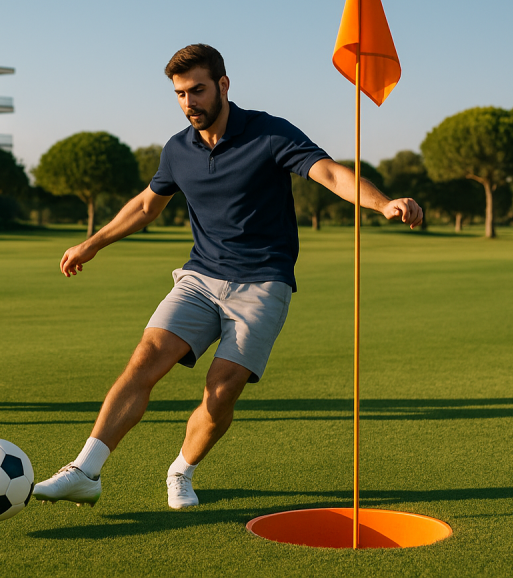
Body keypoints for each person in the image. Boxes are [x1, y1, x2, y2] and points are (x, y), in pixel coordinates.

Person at [34, 44, 422, 509]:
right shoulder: (178, 150)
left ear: (223, 85)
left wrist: (382, 203)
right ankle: (85, 470)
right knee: (145, 359)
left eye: (196, 90)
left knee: (221, 389)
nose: (188, 102)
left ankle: (181, 471)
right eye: (179, 93)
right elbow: (144, 206)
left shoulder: (270, 133)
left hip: (263, 282)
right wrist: (90, 244)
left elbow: (331, 175)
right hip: (201, 277)